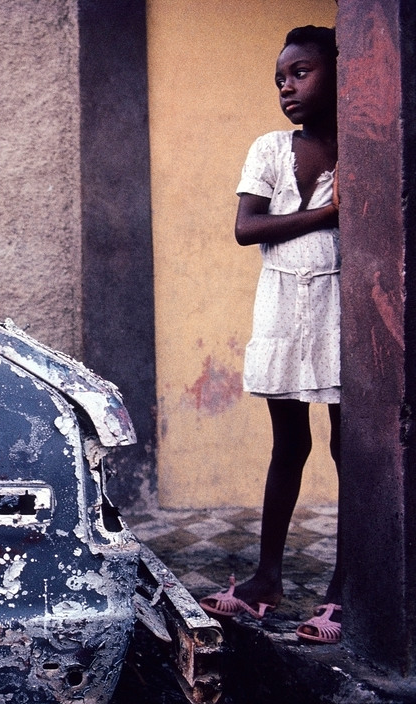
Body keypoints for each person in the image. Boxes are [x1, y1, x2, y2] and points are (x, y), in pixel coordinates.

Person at [198, 25, 343, 645]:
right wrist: (334, 211)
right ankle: (266, 579)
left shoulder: (367, 150)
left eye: (302, 72)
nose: (287, 86)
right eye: (280, 78)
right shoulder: (268, 148)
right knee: (289, 445)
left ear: (341, 72)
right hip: (282, 304)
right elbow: (247, 227)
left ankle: (345, 590)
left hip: (342, 305)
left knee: (351, 452)